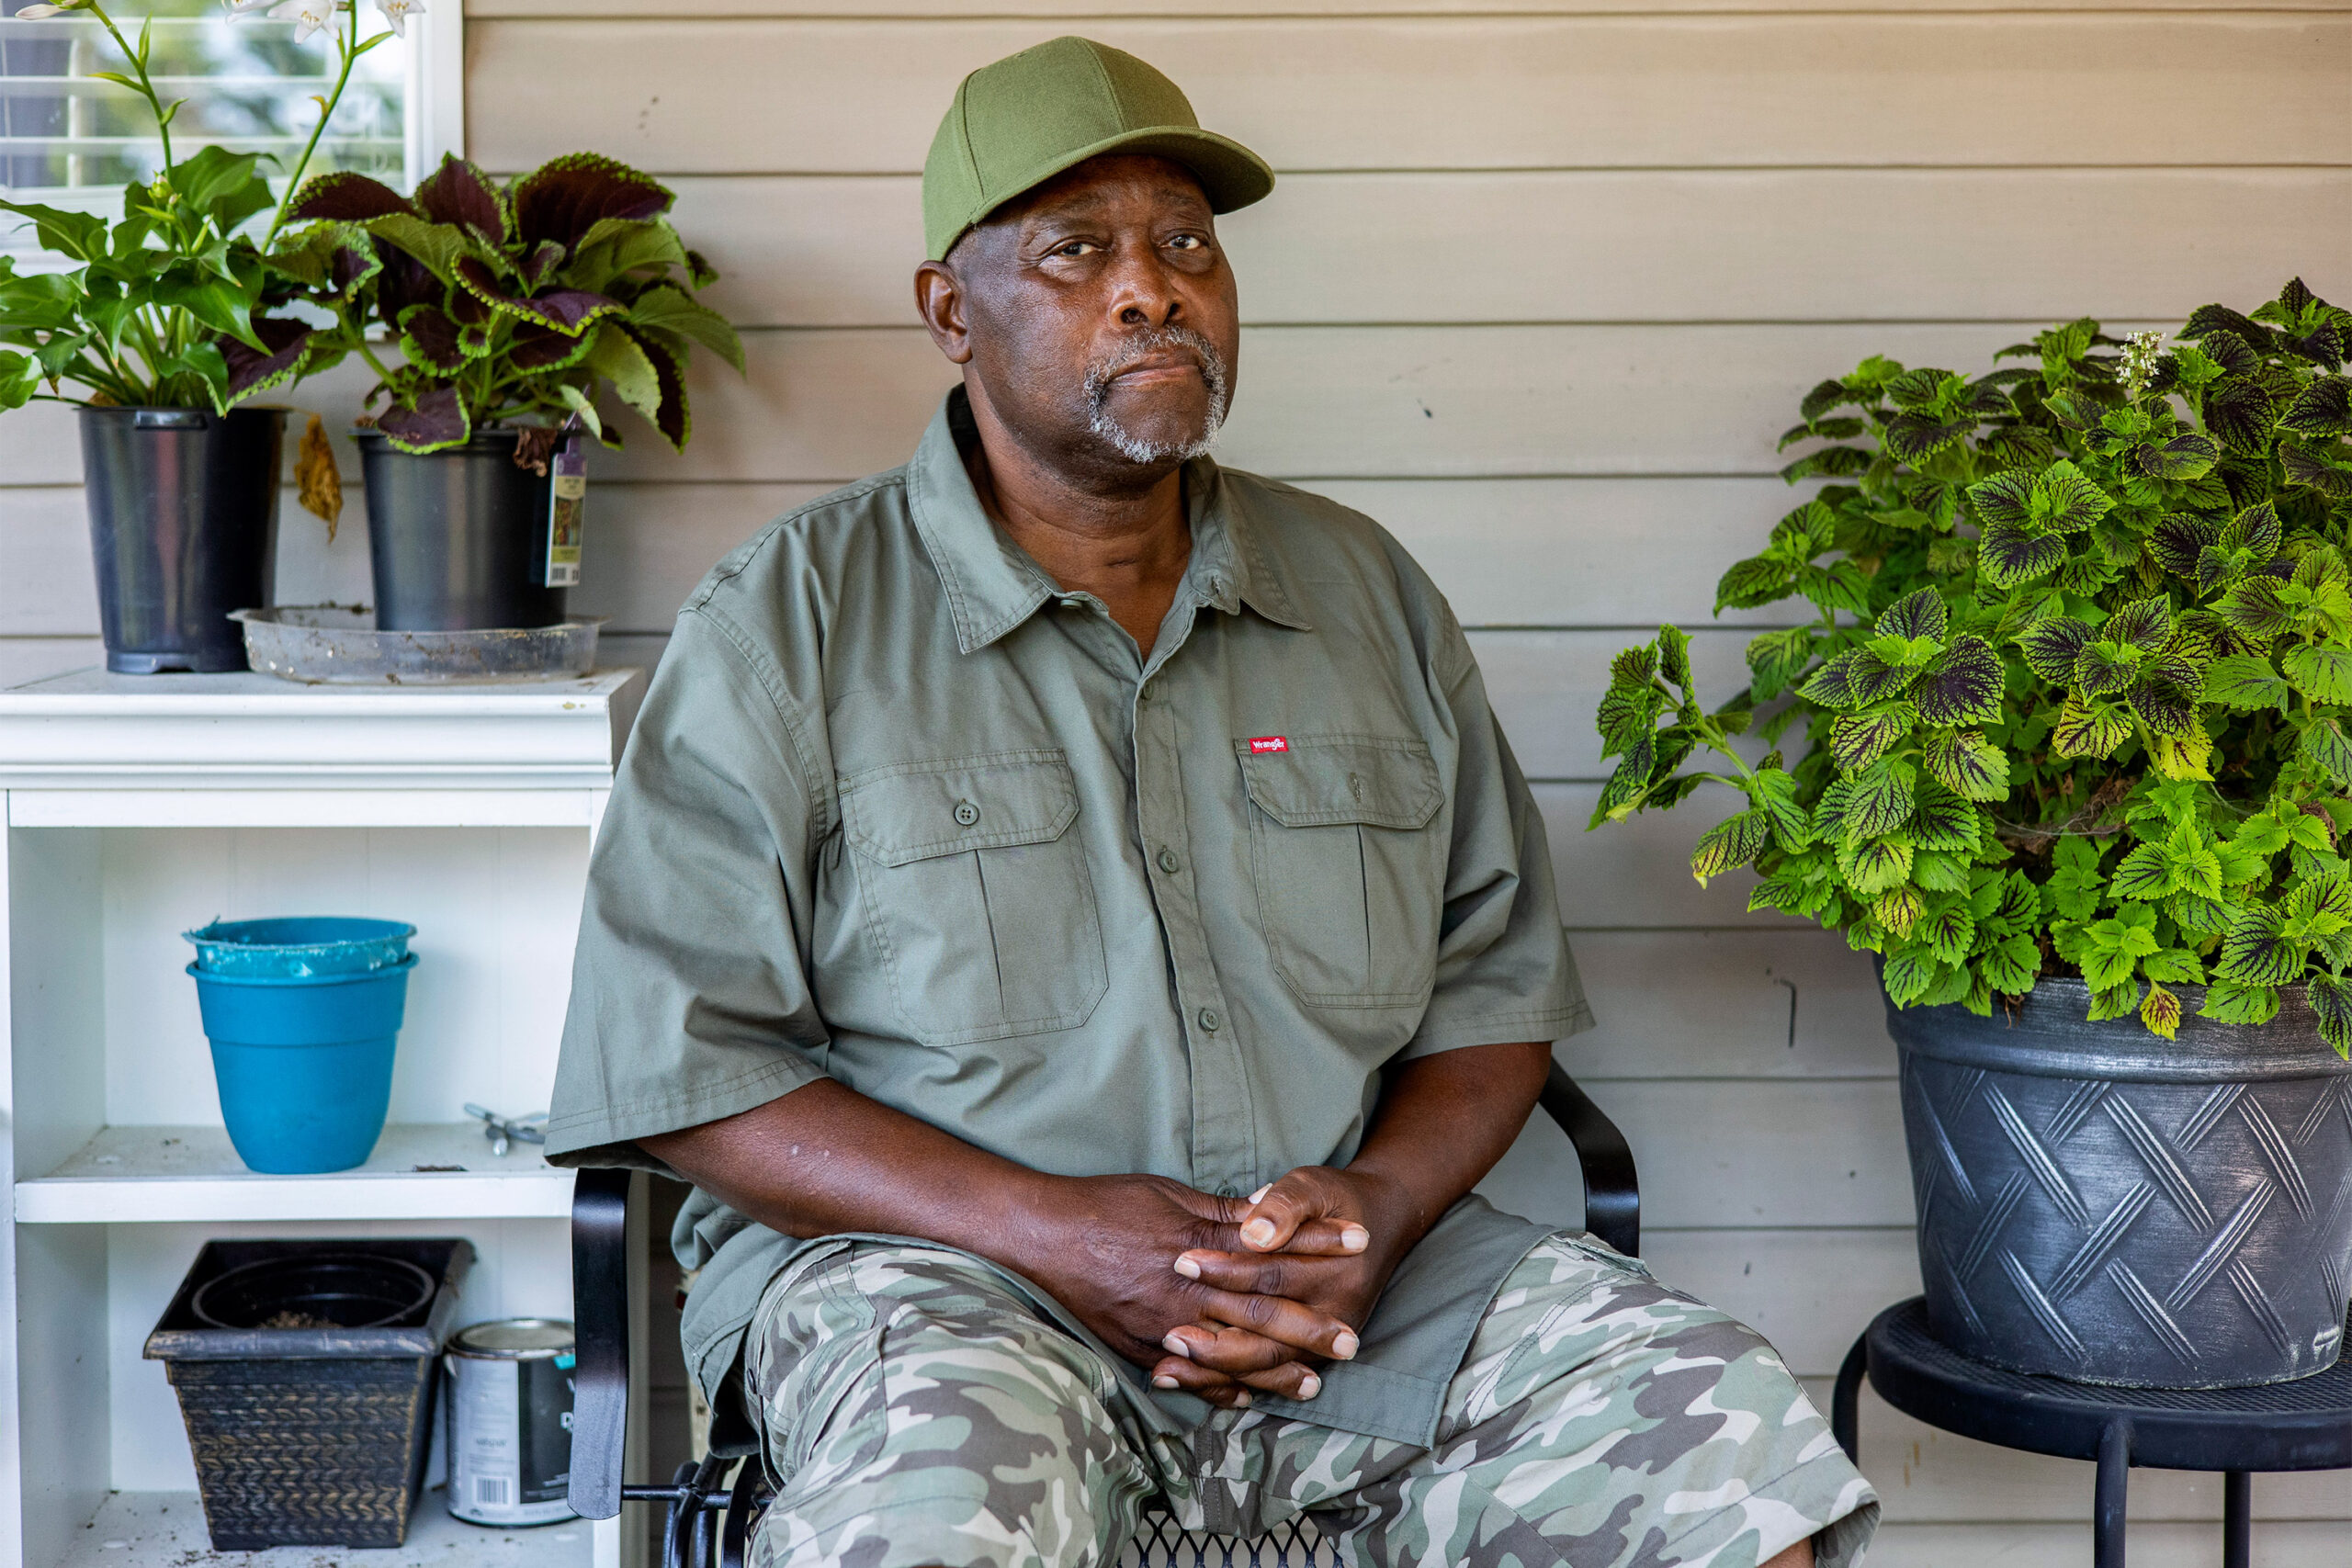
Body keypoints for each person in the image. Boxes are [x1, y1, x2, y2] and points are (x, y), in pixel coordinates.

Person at [546, 35, 1879, 1568]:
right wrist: (1056, 1235)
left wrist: (1373, 1211)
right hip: (950, 1290)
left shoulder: (1363, 597)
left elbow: (1491, 995)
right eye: (1076, 250)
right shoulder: (787, 625)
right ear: (949, 314)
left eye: (1186, 243)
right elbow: (686, 1069)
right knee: (927, 1524)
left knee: (1724, 1455)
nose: (1151, 286)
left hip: (1361, 1293)